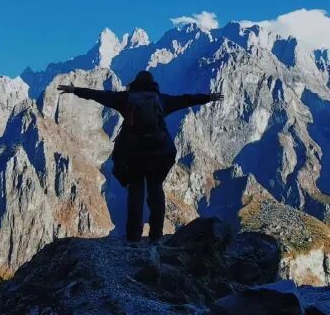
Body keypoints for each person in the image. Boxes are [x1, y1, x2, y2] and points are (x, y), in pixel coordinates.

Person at [57, 71, 222, 243]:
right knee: (156, 193)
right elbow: (186, 99)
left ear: (135, 83)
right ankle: (156, 236)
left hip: (134, 155)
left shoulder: (126, 99)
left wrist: (75, 90)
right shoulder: (161, 100)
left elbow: (100, 96)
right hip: (158, 155)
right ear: (153, 83)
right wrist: (208, 97)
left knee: (135, 195)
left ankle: (133, 238)